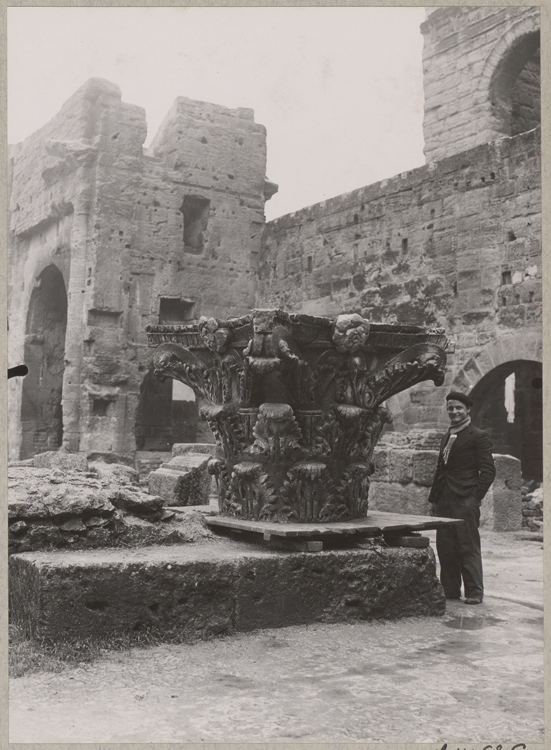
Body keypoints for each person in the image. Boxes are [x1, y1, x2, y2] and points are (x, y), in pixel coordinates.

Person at [428, 391, 496, 605]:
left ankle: (475, 592)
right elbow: (441, 469)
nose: (454, 412)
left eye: (458, 408)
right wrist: (434, 500)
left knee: (468, 546)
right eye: (450, 408)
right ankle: (450, 590)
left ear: (467, 410)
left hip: (465, 499)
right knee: (445, 546)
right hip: (445, 500)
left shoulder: (478, 436)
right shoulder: (447, 436)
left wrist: (474, 499)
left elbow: (488, 471)